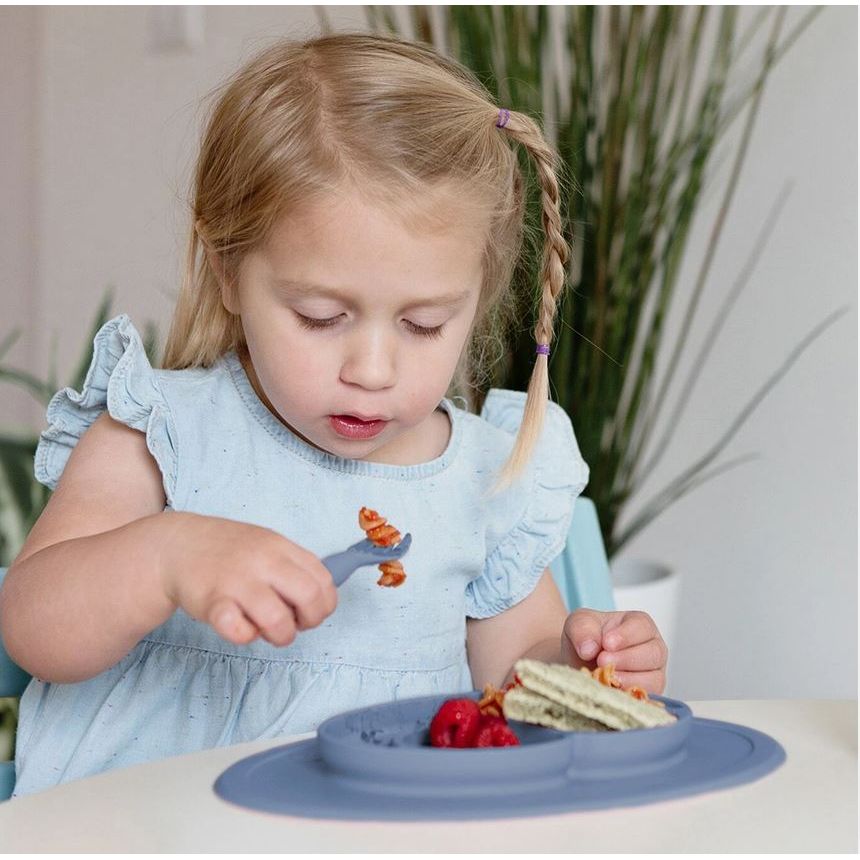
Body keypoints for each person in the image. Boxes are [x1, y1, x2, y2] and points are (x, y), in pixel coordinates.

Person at [0, 32, 667, 796]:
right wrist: (164, 556)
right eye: (320, 316)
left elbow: (517, 686)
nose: (372, 371)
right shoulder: (162, 436)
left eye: (423, 326)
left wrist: (579, 670)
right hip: (152, 830)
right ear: (227, 272)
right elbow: (33, 627)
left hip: (392, 831)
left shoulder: (484, 477)